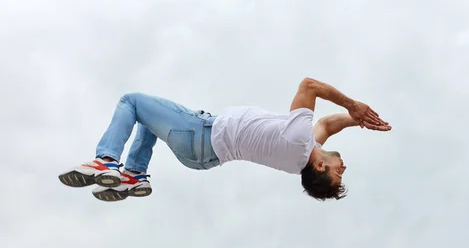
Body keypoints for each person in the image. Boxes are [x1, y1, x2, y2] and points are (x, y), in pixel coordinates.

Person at [58, 77, 391, 202]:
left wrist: (352, 105)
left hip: (200, 134)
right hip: (203, 157)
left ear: (319, 164)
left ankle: (106, 160)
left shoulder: (300, 139)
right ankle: (134, 173)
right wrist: (357, 120)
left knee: (131, 101)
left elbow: (309, 86)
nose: (343, 165)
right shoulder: (299, 156)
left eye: (338, 171)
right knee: (149, 119)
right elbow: (329, 125)